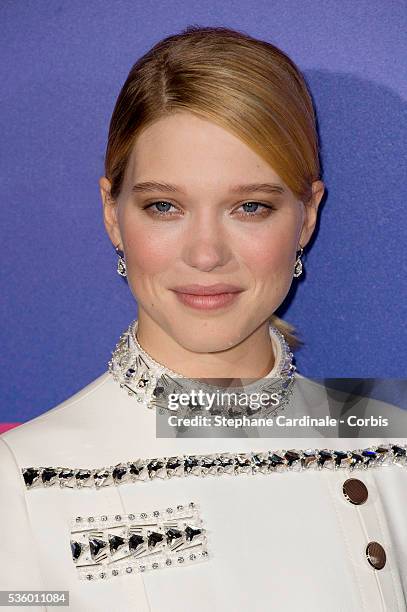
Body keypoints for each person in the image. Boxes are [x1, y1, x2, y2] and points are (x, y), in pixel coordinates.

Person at [1, 25, 406, 612]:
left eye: (250, 207)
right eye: (164, 206)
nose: (207, 253)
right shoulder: (24, 482)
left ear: (308, 215)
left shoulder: (386, 447)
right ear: (113, 216)